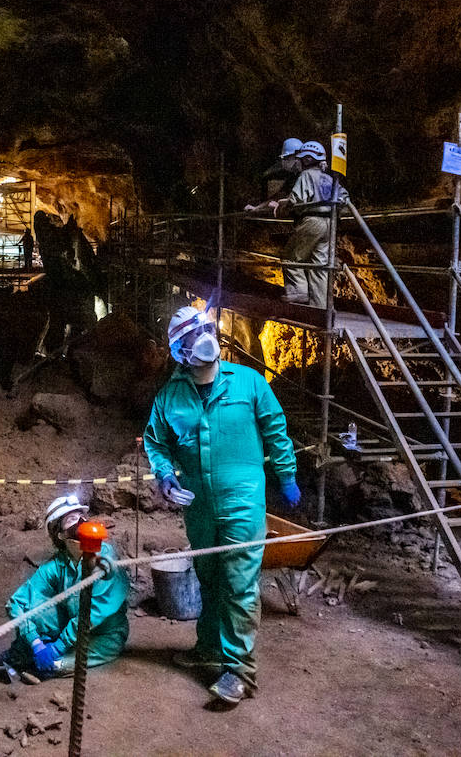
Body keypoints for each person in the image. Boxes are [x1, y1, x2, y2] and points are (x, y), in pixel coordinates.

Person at [144, 307, 299, 707]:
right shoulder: (170, 397)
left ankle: (241, 672)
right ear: (179, 350)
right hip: (199, 506)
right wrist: (165, 476)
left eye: (206, 329)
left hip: (242, 502)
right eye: (192, 336)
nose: (204, 339)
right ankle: (210, 648)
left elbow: (276, 429)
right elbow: (156, 443)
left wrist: (286, 475)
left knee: (239, 584)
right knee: (209, 578)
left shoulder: (249, 382)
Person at [0, 495, 130, 681]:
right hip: (70, 627)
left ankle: (39, 663)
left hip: (104, 635)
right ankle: (20, 653)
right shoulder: (58, 565)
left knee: (56, 665)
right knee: (36, 611)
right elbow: (17, 603)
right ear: (60, 534)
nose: (81, 522)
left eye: (81, 516)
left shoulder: (104, 558)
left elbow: (92, 614)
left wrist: (58, 646)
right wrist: (35, 643)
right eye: (71, 519)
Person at [273, 141, 350, 308]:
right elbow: (344, 198)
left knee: (290, 257)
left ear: (308, 159)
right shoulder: (329, 178)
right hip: (330, 223)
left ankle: (298, 291)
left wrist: (282, 204)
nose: (299, 162)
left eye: (301, 159)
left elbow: (296, 199)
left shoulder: (306, 175)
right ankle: (319, 307)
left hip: (312, 221)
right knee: (319, 266)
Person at [247, 137, 306, 209]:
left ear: (297, 156)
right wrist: (257, 208)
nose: (284, 161)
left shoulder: (307, 175)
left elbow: (300, 199)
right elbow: (280, 195)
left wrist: (282, 204)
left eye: (286, 158)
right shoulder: (293, 175)